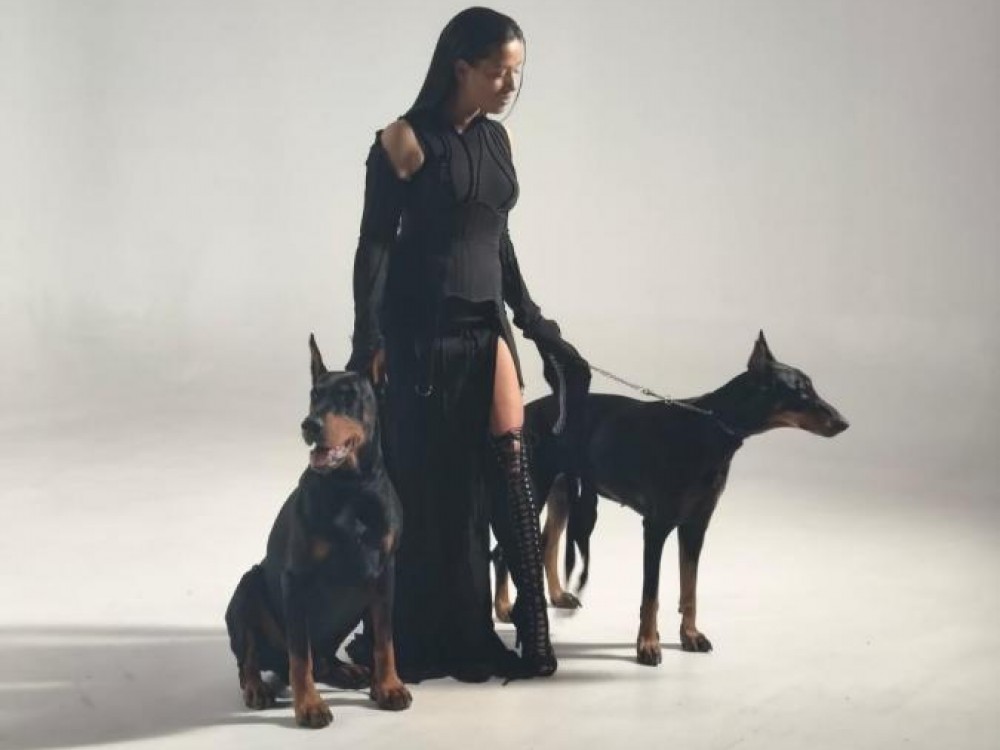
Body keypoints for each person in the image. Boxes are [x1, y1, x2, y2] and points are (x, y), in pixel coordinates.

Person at [344, 6, 589, 682]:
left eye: (517, 73)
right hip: (419, 329)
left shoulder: (496, 141)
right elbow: (373, 248)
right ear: (461, 68)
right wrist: (368, 339)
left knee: (510, 464)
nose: (511, 85)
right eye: (498, 72)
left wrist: (533, 320)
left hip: (486, 323)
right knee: (425, 482)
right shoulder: (402, 140)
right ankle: (414, 636)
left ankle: (534, 638)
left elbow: (497, 239)